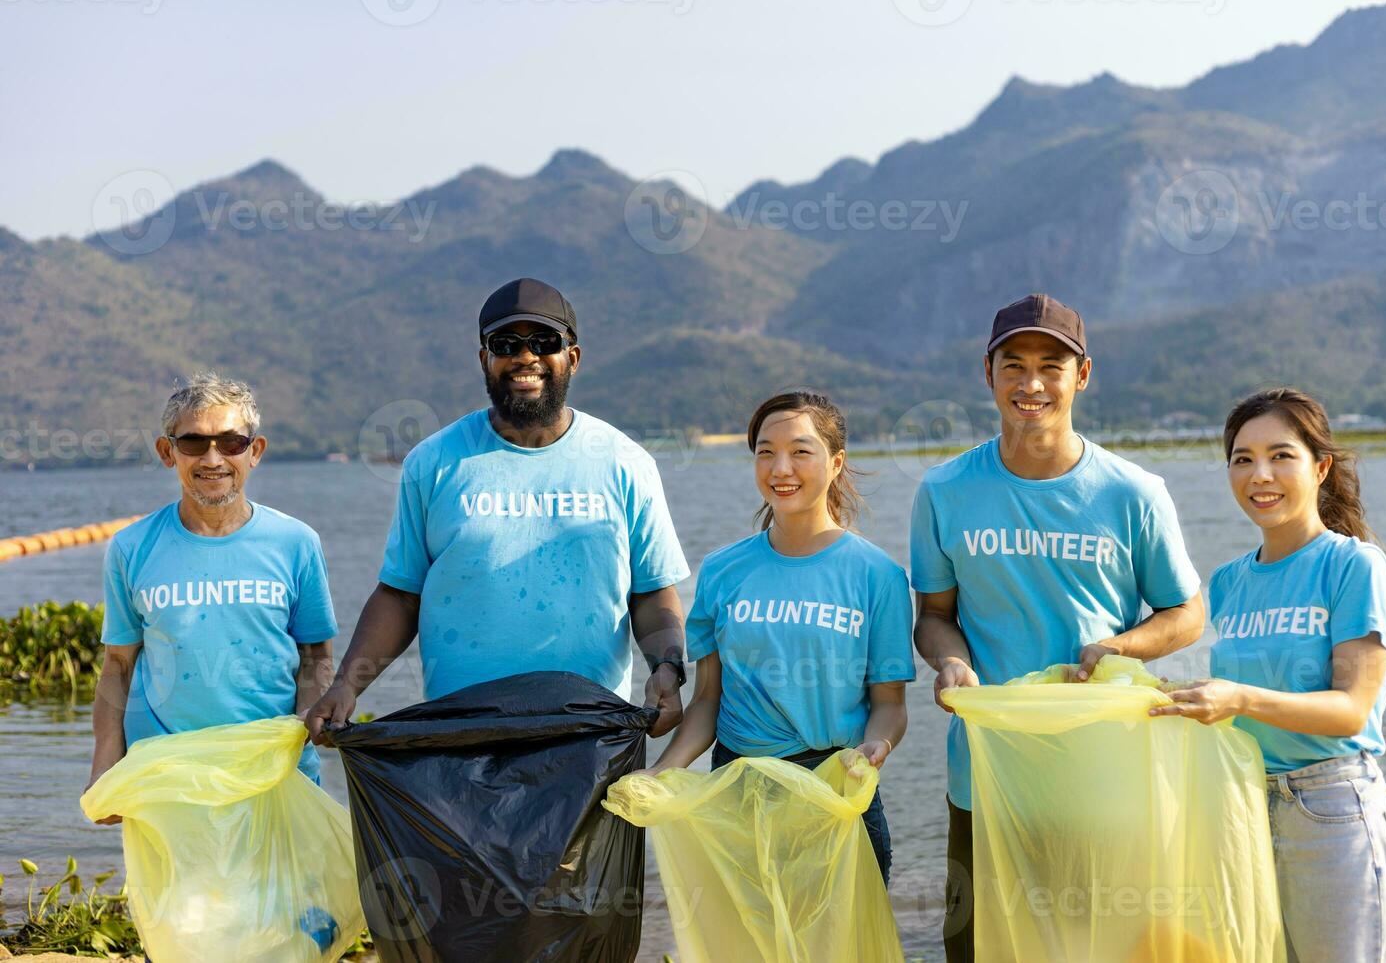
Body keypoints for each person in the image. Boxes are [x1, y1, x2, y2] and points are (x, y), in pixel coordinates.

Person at [908, 294, 1205, 961]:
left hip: (1101, 774)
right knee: (979, 949)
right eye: (1014, 365)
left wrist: (1118, 647)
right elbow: (933, 618)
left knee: (1100, 946)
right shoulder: (945, 489)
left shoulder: (1132, 492)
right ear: (988, 373)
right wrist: (951, 665)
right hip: (985, 775)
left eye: (1052, 365)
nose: (1032, 383)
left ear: (1084, 375)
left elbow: (1188, 613)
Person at [304, 277, 690, 739]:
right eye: (506, 343)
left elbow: (650, 592)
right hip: (461, 732)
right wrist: (347, 686)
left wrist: (667, 669)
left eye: (545, 342)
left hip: (590, 731)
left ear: (573, 356)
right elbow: (401, 594)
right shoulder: (433, 462)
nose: (525, 357)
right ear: (485, 359)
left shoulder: (625, 462)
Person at [1149, 388, 1386, 962]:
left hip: (1331, 811)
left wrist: (1239, 698)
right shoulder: (1227, 582)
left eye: (1280, 455)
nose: (1259, 474)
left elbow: (1351, 709)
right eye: (1242, 459)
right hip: (1242, 811)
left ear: (1320, 467)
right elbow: (1210, 694)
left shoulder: (1353, 566)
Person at [645, 391, 914, 884]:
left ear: (835, 464)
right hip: (740, 790)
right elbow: (707, 700)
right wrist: (662, 772)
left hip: (836, 789)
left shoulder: (879, 575)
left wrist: (877, 745)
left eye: (800, 451)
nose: (780, 467)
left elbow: (890, 704)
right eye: (765, 451)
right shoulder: (723, 571)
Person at [87, 372, 337, 822]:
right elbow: (118, 666)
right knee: (177, 896)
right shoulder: (131, 547)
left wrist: (298, 733)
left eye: (231, 443)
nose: (213, 458)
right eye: (194, 443)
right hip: (167, 777)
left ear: (255, 452)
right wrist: (106, 763)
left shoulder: (296, 542)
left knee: (284, 895)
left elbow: (316, 656)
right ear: (168, 452)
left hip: (272, 774)